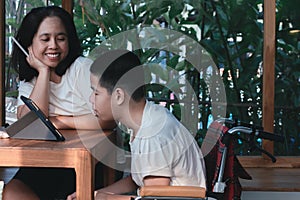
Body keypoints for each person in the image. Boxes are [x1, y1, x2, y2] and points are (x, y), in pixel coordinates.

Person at [3, 6, 116, 200]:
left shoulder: (82, 69)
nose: (53, 45)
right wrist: (44, 72)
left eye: (61, 38)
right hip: (46, 162)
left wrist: (60, 121)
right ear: (29, 44)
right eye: (45, 39)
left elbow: (108, 120)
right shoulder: (31, 80)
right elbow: (30, 119)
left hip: (92, 160)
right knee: (13, 193)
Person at [67, 49, 206, 200]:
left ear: (119, 96)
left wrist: (102, 198)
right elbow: (138, 178)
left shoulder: (152, 135)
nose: (91, 99)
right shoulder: (147, 118)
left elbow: (154, 197)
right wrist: (93, 194)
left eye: (96, 93)